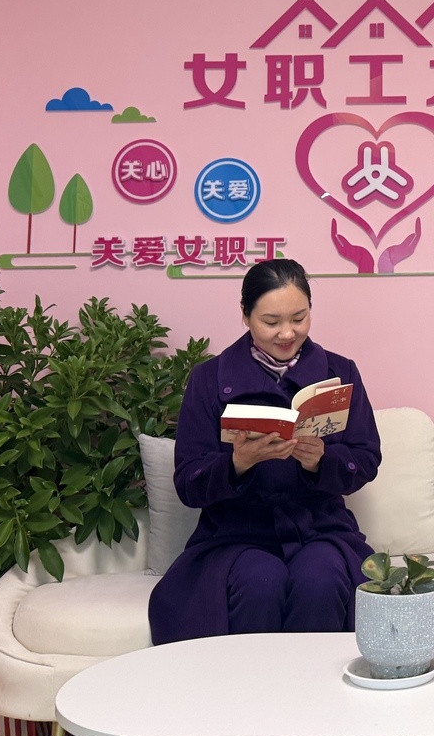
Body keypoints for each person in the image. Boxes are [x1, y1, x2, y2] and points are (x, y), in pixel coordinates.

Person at [148, 259, 381, 649]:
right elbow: (188, 482)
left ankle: (314, 686)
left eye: (299, 318)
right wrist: (237, 464)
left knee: (320, 579)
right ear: (245, 315)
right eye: (271, 322)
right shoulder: (209, 379)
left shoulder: (340, 373)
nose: (287, 333)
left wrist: (320, 461)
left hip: (320, 528)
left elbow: (366, 458)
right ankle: (250, 686)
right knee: (260, 581)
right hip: (235, 533)